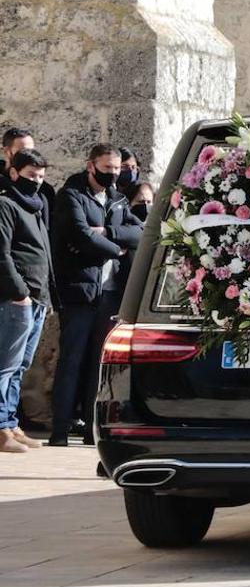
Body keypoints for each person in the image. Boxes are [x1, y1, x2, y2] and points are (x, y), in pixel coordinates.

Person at [48, 144, 144, 446]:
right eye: (107, 170)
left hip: (110, 293)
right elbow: (79, 234)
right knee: (72, 360)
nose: (113, 175)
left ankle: (93, 429)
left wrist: (106, 234)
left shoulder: (116, 199)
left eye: (117, 170)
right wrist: (117, 249)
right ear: (91, 166)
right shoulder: (72, 195)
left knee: (99, 365)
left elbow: (140, 232)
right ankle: (60, 430)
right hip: (80, 292)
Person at [0, 150, 55, 454]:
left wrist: (46, 297)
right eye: (31, 175)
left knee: (20, 366)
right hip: (17, 300)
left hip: (37, 299)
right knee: (4, 366)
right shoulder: (6, 205)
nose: (36, 182)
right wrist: (19, 293)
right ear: (14, 173)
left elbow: (42, 254)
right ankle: (0, 429)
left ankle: (10, 423)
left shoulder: (36, 207)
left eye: (41, 177)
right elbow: (3, 254)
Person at [1, 128, 56, 209]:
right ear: (7, 152)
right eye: (22, 151)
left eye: (31, 151)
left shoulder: (44, 190)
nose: (28, 155)